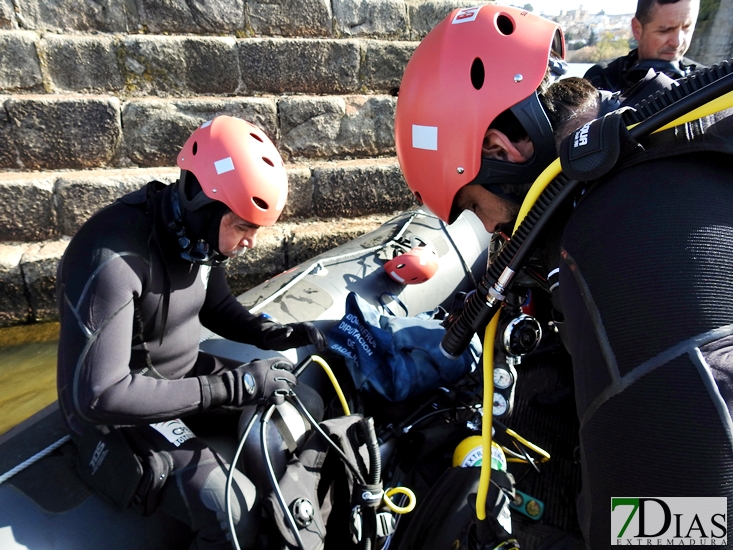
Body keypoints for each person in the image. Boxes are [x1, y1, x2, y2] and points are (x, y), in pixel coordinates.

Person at [395, 4, 733, 548]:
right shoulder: (621, 166)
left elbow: (689, 521)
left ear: (502, 150)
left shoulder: (620, 247)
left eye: (476, 209)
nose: (491, 233)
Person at [56, 115, 327, 550]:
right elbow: (99, 395)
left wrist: (275, 334)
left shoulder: (195, 238)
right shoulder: (111, 255)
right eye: (243, 227)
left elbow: (215, 306)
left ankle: (291, 519)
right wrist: (230, 387)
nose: (251, 242)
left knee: (304, 400)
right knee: (230, 509)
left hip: (182, 374)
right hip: (122, 407)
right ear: (205, 204)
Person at [584, 0, 702, 93]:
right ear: (637, 29)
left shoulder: (706, 80)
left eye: (686, 28)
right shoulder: (602, 78)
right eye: (665, 30)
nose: (677, 42)